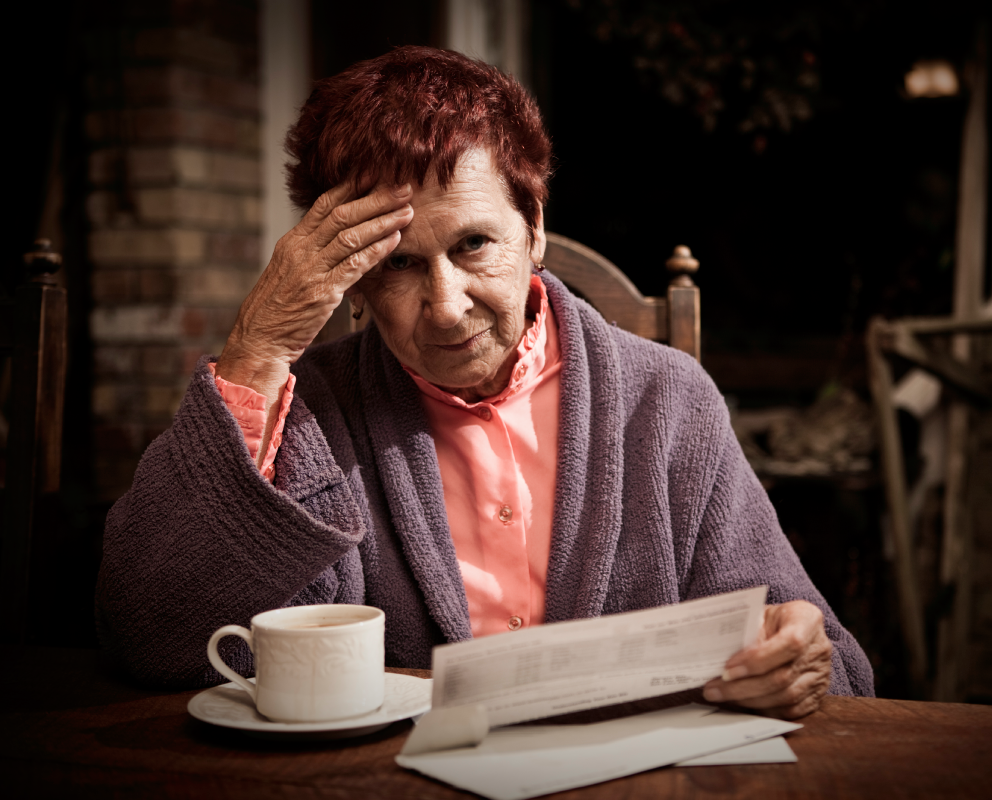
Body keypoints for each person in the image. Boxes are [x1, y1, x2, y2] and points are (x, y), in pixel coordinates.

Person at [97, 46, 874, 719]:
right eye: (398, 262)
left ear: (533, 227)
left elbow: (838, 671)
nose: (445, 306)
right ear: (352, 277)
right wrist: (258, 349)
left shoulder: (669, 402)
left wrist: (800, 664)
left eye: (473, 245)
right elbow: (151, 636)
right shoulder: (306, 418)